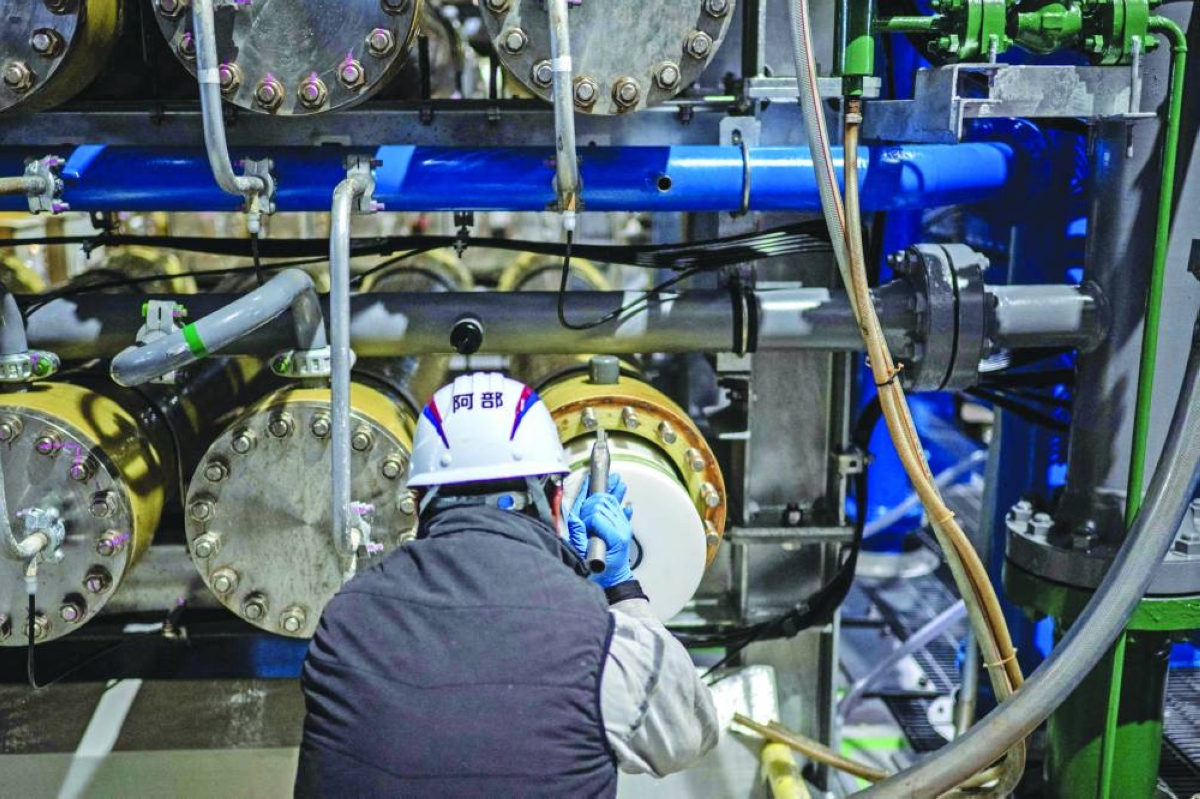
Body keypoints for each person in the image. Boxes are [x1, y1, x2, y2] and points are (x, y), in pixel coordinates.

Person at [296, 372, 719, 797]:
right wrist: (618, 587)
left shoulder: (344, 622)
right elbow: (689, 734)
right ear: (556, 502)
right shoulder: (598, 639)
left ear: (418, 503)